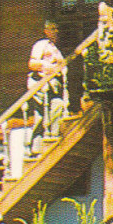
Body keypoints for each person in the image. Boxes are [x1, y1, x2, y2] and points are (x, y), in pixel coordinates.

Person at [26, 20, 66, 156]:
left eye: (56, 29)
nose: (56, 32)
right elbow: (32, 63)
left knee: (57, 106)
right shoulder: (41, 44)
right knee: (40, 116)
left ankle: (53, 135)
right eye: (52, 29)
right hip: (41, 84)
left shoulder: (55, 48)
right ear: (45, 31)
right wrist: (48, 67)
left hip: (53, 87)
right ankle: (35, 147)